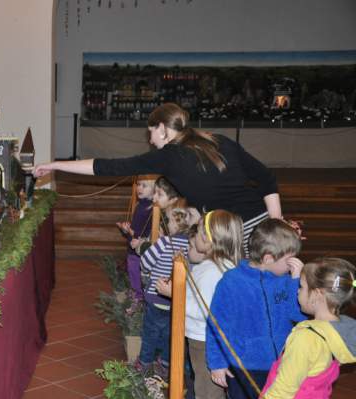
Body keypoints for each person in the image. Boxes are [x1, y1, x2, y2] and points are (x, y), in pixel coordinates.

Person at [34, 103, 281, 250]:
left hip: (235, 234)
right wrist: (276, 224)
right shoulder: (219, 140)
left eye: (150, 132)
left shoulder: (169, 156)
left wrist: (57, 164)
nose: (150, 140)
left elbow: (109, 167)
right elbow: (266, 178)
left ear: (162, 128)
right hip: (259, 222)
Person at [206, 219, 306, 399]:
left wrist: (295, 282)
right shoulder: (232, 282)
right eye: (289, 260)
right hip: (244, 366)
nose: (292, 264)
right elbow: (217, 325)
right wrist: (217, 363)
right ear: (268, 258)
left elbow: (298, 315)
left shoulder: (285, 280)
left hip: (279, 365)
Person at [158, 210, 244, 399]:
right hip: (211, 338)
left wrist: (175, 295)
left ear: (207, 239)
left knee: (207, 390)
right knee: (207, 386)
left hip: (204, 340)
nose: (194, 237)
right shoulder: (223, 265)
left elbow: (205, 311)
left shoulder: (211, 271)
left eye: (197, 233)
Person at [249, 258, 356, 399]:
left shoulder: (306, 338)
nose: (298, 291)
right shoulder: (340, 333)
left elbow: (285, 387)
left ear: (317, 294)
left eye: (301, 287)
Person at [138, 207, 192, 378]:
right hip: (175, 300)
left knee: (150, 333)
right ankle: (166, 365)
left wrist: (146, 272)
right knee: (170, 334)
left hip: (156, 297)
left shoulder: (164, 243)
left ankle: (145, 363)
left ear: (175, 225)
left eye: (168, 221)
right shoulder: (190, 247)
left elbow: (145, 262)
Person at [117, 176, 156, 298]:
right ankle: (135, 291)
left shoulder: (151, 209)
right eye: (138, 184)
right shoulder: (140, 205)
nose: (139, 188)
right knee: (132, 272)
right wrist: (126, 229)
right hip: (132, 248)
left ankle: (138, 297)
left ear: (154, 189)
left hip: (139, 250)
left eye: (144, 186)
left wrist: (130, 231)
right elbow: (135, 228)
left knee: (137, 273)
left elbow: (147, 234)